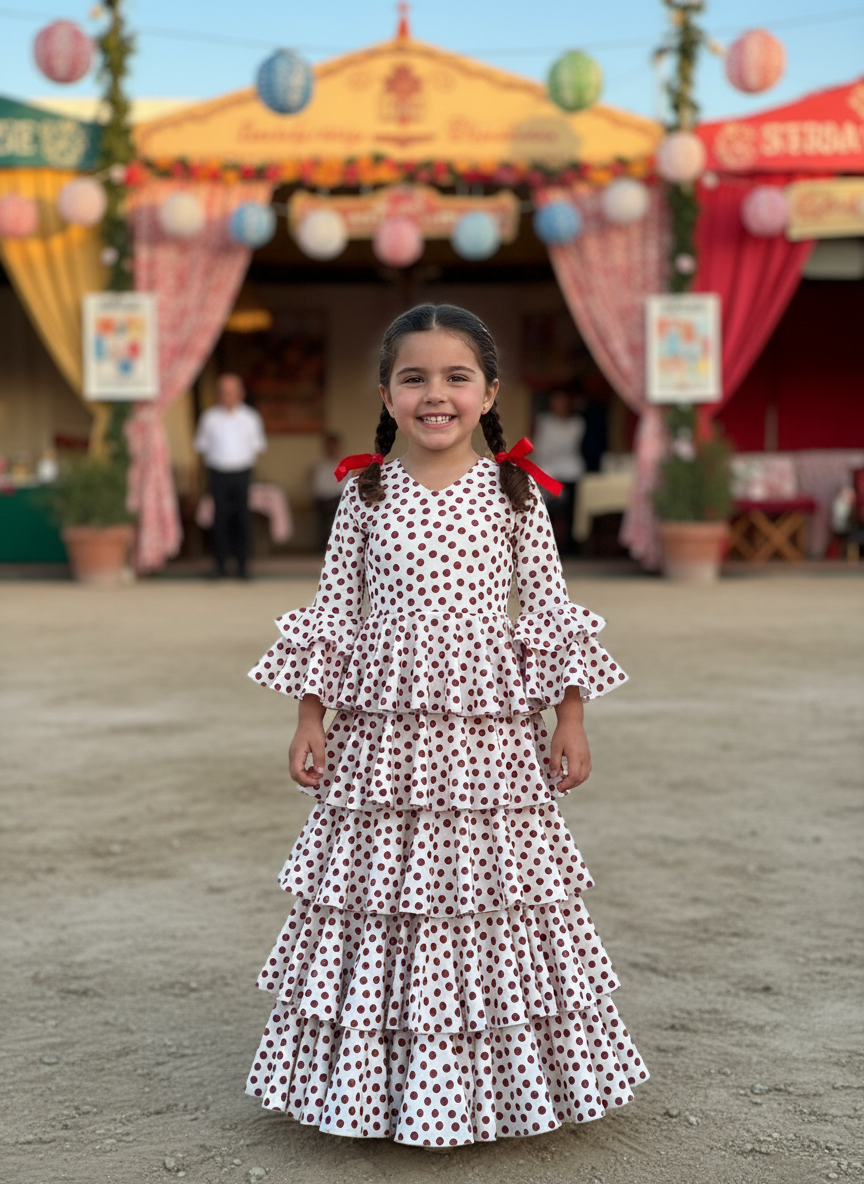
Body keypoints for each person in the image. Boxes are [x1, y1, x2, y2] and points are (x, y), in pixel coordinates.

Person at [244, 304, 648, 1145]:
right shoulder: (364, 495)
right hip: (382, 742)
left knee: (489, 894)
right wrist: (309, 716)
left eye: (456, 377)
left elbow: (550, 614)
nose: (436, 394)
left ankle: (495, 1086)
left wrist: (571, 719)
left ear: (489, 392)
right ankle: (374, 1088)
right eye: (414, 378)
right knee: (381, 894)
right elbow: (334, 612)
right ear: (386, 395)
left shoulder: (516, 494)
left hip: (488, 739)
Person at [193, 373, 267, 579]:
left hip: (242, 473)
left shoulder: (251, 418)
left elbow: (258, 446)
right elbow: (201, 446)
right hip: (217, 473)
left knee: (242, 519)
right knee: (219, 520)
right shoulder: (209, 418)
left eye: (232, 391)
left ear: (241, 393)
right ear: (218, 394)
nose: (228, 395)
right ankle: (219, 566)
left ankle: (243, 567)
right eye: (224, 391)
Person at [531, 389, 585, 554]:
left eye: (562, 401)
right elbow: (538, 446)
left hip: (570, 472)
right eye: (555, 401)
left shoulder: (577, 424)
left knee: (568, 513)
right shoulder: (543, 421)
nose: (559, 405)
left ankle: (567, 547)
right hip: (545, 472)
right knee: (544, 512)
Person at [309, 432, 347, 551]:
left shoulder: (344, 463)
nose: (330, 449)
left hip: (339, 499)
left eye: (332, 446)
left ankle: (338, 547)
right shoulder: (319, 465)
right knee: (322, 522)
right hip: (322, 500)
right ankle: (322, 547)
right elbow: (315, 485)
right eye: (328, 446)